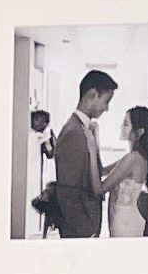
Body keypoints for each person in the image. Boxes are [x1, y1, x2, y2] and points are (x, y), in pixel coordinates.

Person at [47, 69, 116, 237]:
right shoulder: (74, 133)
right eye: (106, 101)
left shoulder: (84, 128)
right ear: (92, 94)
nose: (107, 108)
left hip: (87, 224)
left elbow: (94, 172)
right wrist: (86, 230)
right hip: (79, 230)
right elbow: (67, 192)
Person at [105, 102, 148, 238]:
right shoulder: (133, 158)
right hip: (124, 219)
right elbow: (101, 171)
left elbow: (100, 188)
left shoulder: (132, 159)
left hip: (125, 222)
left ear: (139, 132)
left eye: (126, 124)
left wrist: (93, 148)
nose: (121, 127)